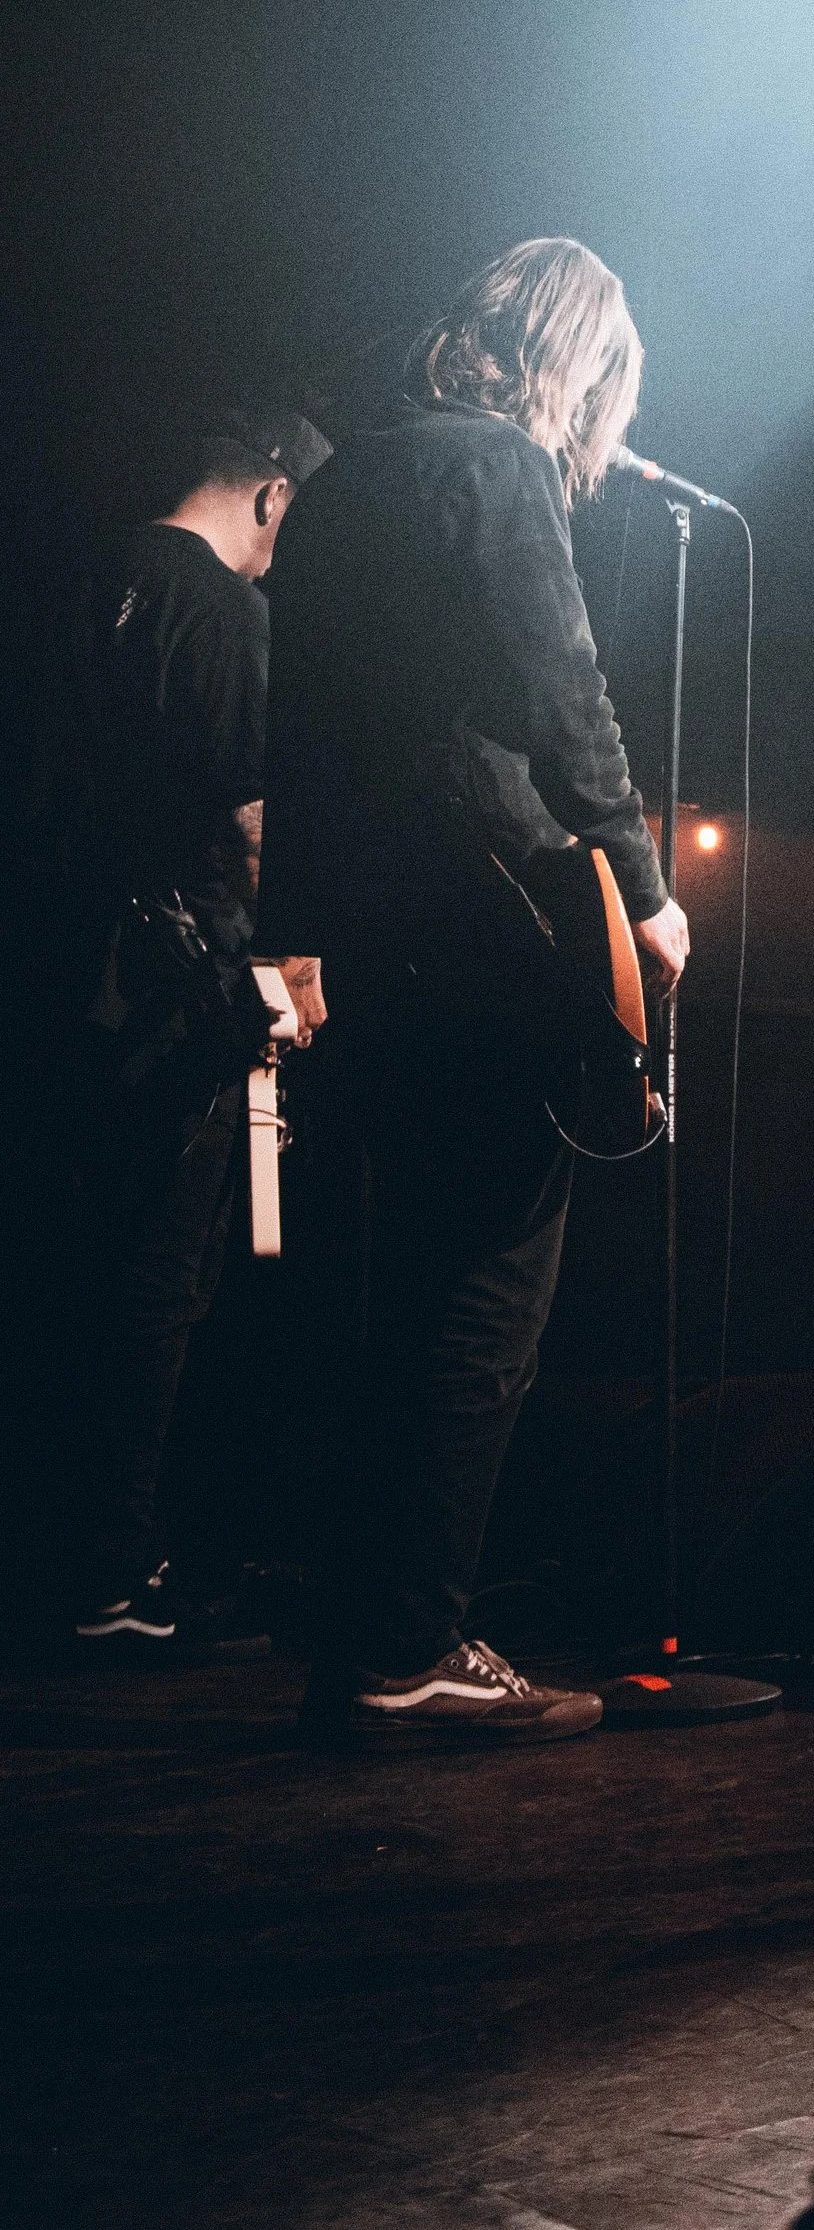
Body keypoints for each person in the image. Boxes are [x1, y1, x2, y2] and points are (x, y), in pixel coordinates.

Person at [260, 237, 689, 1744]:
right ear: (575, 364)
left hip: (367, 939)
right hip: (488, 923)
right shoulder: (498, 471)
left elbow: (294, 731)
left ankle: (373, 1633)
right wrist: (644, 892)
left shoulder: (343, 480)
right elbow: (562, 693)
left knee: (400, 1297)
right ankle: (409, 1651)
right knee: (490, 1294)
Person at [63, 408, 331, 1649]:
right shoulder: (225, 606)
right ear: (271, 496)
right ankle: (114, 1571)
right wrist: (294, 962)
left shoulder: (106, 574)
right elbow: (250, 813)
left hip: (84, 974)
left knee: (80, 1257)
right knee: (170, 1275)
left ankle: (72, 1554)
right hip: (190, 985)